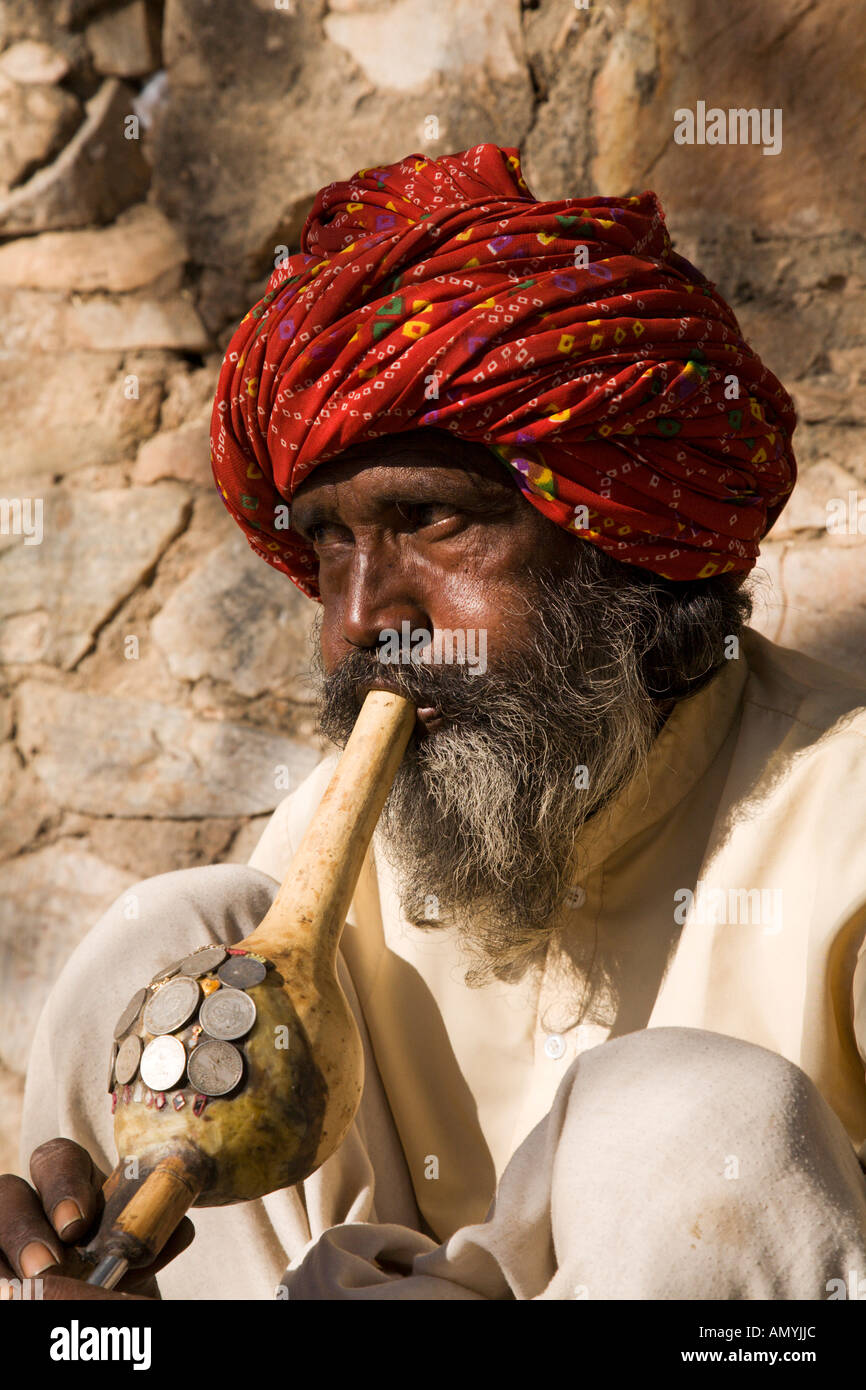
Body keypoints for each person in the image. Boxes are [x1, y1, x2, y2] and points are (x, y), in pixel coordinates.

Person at [4, 144, 866, 1302]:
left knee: (693, 1122)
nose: (362, 620)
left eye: (428, 519)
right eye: (328, 541)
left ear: (619, 533)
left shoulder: (843, 814)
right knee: (168, 948)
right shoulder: (328, 844)